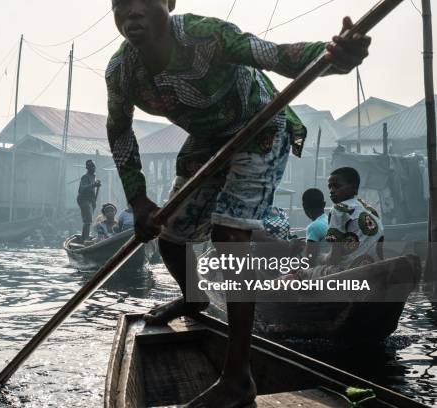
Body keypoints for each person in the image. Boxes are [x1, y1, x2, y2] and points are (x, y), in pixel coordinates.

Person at [105, 1, 371, 406]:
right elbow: (119, 130)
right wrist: (138, 198)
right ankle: (193, 298)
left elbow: (276, 55)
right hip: (208, 142)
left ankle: (238, 379)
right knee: (171, 235)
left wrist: (335, 57)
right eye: (122, 4)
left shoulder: (206, 34)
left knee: (230, 236)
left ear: (169, 2)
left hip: (260, 125)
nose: (133, 13)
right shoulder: (121, 70)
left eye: (145, 1)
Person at [294, 167, 384, 280]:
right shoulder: (370, 209)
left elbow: (334, 259)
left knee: (300, 274)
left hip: (349, 271)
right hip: (375, 266)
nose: (332, 190)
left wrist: (321, 258)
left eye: (336, 186)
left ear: (354, 188)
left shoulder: (339, 209)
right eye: (330, 187)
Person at [302, 188, 328, 264]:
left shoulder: (313, 227)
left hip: (320, 268)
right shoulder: (328, 220)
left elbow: (309, 259)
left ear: (304, 206)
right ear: (324, 204)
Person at [77, 160, 101, 241]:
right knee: (88, 220)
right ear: (87, 167)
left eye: (94, 166)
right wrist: (94, 185)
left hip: (90, 200)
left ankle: (84, 236)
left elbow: (93, 190)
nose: (93, 168)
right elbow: (82, 189)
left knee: (88, 219)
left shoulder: (94, 176)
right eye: (91, 166)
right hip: (84, 200)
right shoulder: (85, 177)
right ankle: (85, 238)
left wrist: (97, 184)